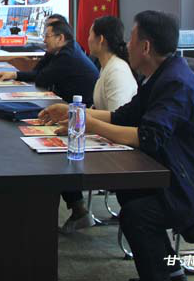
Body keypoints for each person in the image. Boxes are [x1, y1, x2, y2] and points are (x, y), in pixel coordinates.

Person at [39, 11, 194, 281]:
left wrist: (89, 124)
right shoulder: (161, 76)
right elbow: (123, 116)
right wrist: (73, 112)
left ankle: (164, 274)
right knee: (131, 192)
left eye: (132, 40)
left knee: (138, 214)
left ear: (145, 47)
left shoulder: (175, 83)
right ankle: (167, 270)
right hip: (188, 175)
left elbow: (148, 137)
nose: (127, 45)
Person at [59, 16, 139, 233]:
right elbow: (101, 111)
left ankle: (78, 210)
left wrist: (82, 121)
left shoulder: (117, 71)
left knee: (60, 158)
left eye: (90, 34)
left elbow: (118, 117)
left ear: (100, 39)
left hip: (119, 146)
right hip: (106, 136)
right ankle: (78, 209)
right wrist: (73, 117)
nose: (87, 39)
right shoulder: (106, 67)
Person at [0, 19, 99, 103]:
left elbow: (42, 79)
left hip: (79, 107)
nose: (44, 41)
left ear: (60, 38)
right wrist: (49, 53)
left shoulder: (67, 55)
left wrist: (15, 75)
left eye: (47, 37)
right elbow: (37, 71)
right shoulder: (68, 47)